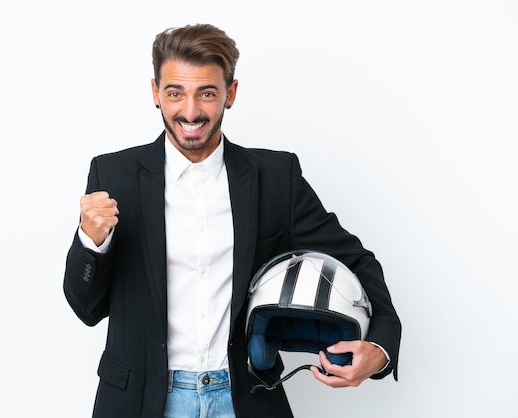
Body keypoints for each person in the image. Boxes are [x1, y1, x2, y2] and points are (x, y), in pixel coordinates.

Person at [63, 23, 401, 418]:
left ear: (231, 93)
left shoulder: (276, 177)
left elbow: (355, 260)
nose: (190, 112)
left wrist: (379, 348)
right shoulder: (114, 175)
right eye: (175, 93)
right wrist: (90, 241)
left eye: (206, 93)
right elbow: (86, 309)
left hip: (244, 399)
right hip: (140, 401)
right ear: (156, 93)